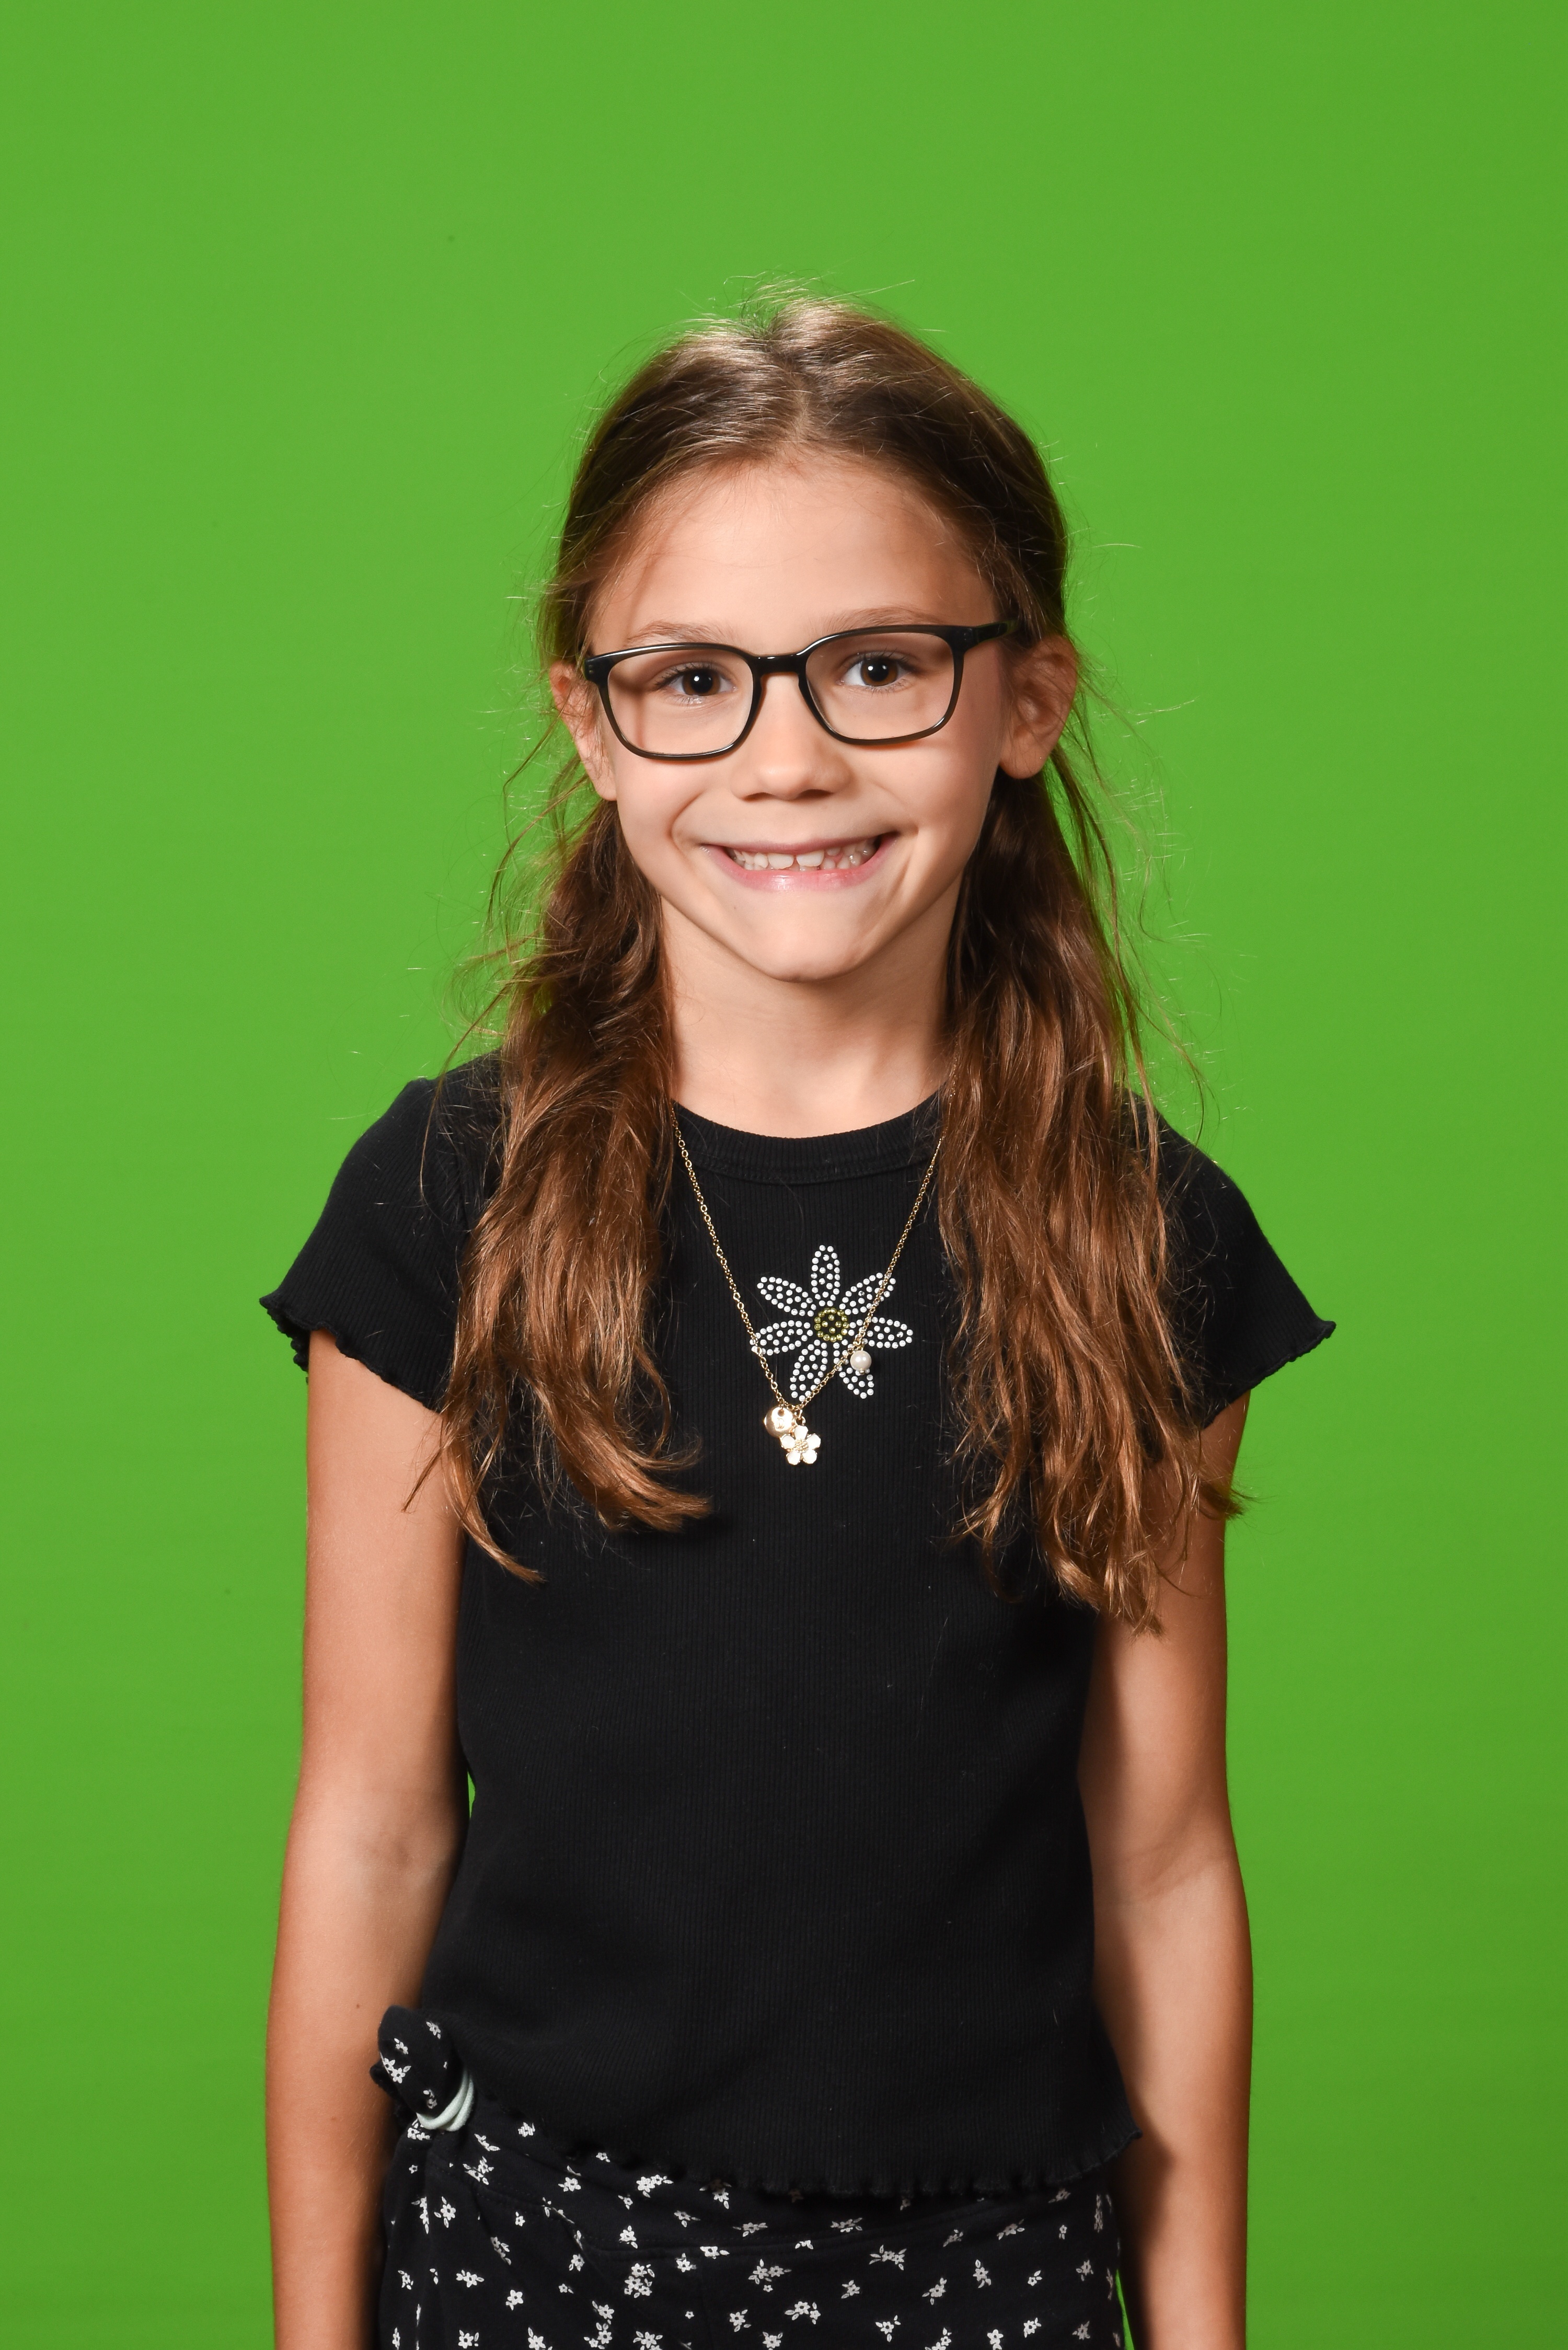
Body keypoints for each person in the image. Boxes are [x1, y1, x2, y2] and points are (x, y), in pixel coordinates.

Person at [262, 297, 1331, 2350]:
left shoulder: (1143, 1232)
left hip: (988, 2269)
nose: (787, 754)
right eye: (695, 679)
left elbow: (1163, 1860)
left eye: (878, 665)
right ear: (592, 723)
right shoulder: (444, 1202)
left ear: (1026, 697)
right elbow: (372, 1821)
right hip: (534, 2256)